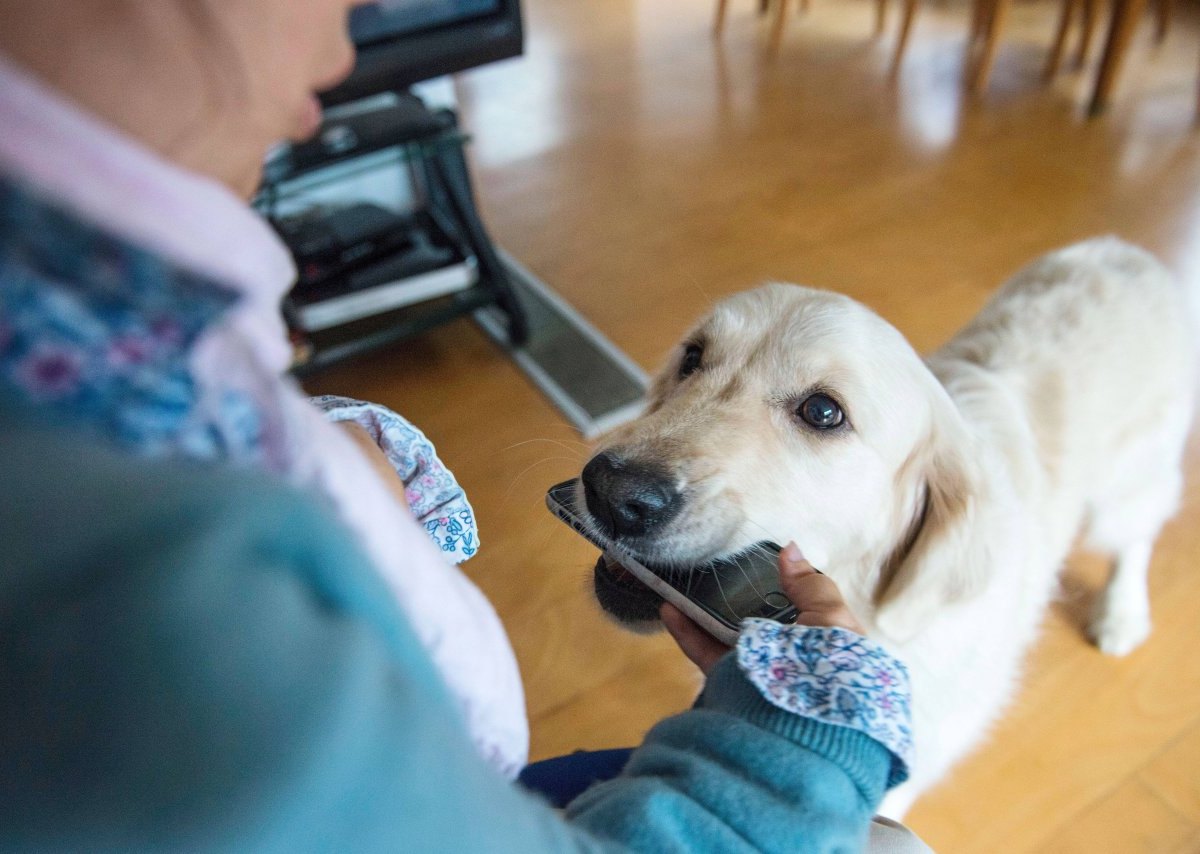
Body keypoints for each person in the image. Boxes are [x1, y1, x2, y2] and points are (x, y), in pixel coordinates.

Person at [0, 2, 922, 850]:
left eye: (819, 412)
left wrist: (326, 464)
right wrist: (813, 733)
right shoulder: (133, 577)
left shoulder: (93, 352)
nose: (345, 39)